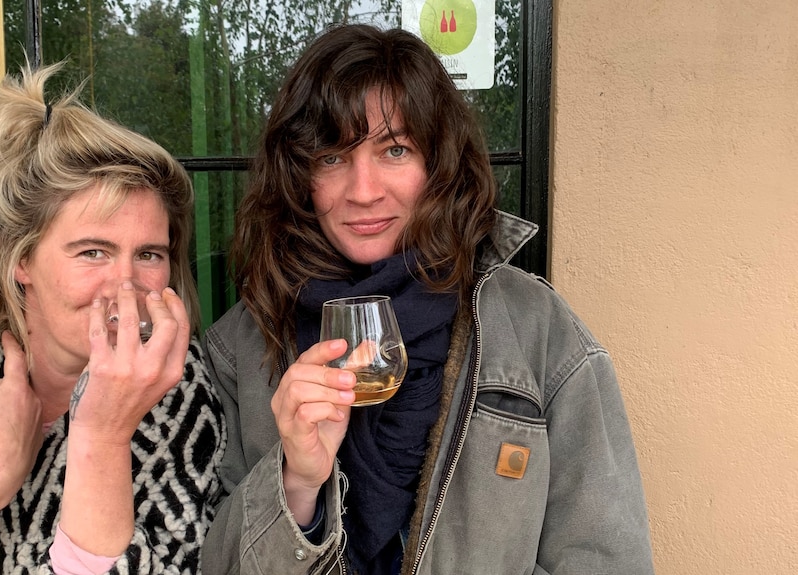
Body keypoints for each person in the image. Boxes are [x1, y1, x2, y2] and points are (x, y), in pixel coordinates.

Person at [200, 23, 655, 575]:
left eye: (394, 150)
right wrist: (295, 482)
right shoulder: (241, 346)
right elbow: (207, 562)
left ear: (438, 164)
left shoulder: (536, 331)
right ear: (298, 176)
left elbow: (605, 556)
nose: (363, 190)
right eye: (332, 157)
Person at [0, 62, 225, 574]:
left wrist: (103, 435)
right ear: (20, 260)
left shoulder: (181, 395)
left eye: (150, 255)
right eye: (93, 252)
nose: (126, 285)